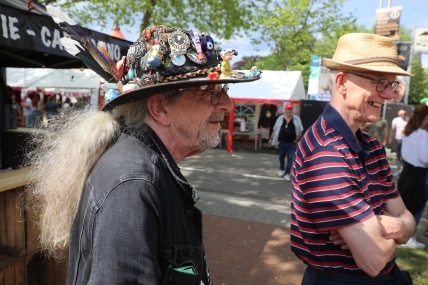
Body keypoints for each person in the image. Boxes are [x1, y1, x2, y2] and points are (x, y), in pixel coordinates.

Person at [26, 21, 261, 285]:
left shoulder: (137, 168)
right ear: (160, 107)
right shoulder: (132, 185)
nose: (227, 104)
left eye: (224, 89)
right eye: (209, 90)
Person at [290, 33, 416, 285]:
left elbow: (407, 217)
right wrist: (398, 227)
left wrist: (392, 227)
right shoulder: (327, 152)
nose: (389, 95)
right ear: (341, 82)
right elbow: (375, 259)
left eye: (391, 85)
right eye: (380, 82)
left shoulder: (372, 145)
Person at [397, 104, 428, 249]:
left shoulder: (409, 132)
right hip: (418, 175)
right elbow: (425, 158)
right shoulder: (424, 136)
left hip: (406, 172)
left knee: (404, 206)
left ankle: (401, 235)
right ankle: (409, 238)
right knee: (416, 206)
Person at [269, 103, 303, 181]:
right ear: (285, 110)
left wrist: (296, 139)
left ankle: (287, 173)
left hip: (292, 143)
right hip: (282, 142)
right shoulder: (280, 118)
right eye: (288, 109)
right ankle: (281, 169)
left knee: (290, 158)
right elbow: (275, 129)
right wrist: (271, 138)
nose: (290, 111)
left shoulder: (297, 119)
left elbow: (301, 130)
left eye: (291, 109)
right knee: (281, 156)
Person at [389, 107, 409, 176]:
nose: (403, 115)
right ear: (398, 114)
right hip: (398, 139)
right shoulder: (396, 120)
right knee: (398, 155)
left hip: (406, 140)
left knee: (404, 156)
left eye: (404, 114)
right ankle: (398, 169)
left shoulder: (408, 120)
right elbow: (393, 129)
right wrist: (390, 138)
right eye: (401, 114)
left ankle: (404, 170)